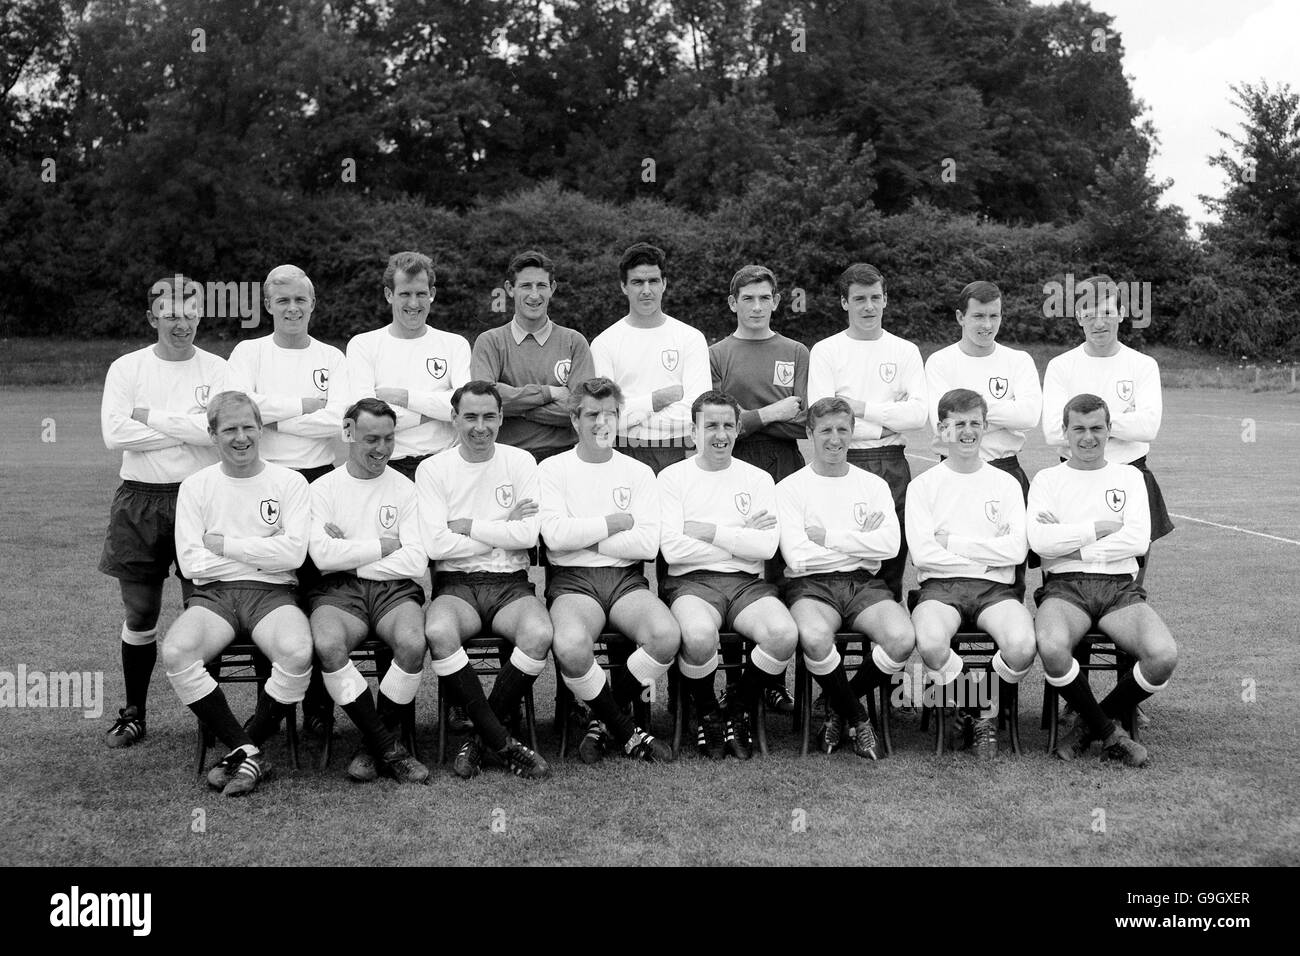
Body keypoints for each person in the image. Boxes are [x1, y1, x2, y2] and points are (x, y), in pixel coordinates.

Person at [161, 391, 313, 796]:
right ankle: (249, 750)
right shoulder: (195, 486)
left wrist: (225, 545)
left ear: (261, 429)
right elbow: (192, 564)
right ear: (212, 435)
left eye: (248, 427)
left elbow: (294, 554)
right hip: (213, 596)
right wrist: (265, 550)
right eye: (229, 429)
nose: (241, 437)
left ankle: (245, 744)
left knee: (297, 652)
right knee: (177, 651)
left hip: (274, 594)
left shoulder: (290, 481)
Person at [98, 274, 228, 749]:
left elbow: (219, 430)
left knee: (206, 610)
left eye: (191, 312)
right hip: (140, 499)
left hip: (202, 498)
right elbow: (115, 434)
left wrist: (149, 417)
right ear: (153, 317)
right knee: (141, 611)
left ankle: (211, 720)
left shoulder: (219, 369)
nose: (182, 322)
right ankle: (134, 713)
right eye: (171, 313)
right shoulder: (126, 368)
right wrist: (189, 429)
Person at [226, 264, 350, 731]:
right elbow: (239, 410)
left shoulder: (333, 358)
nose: (292, 308)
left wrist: (271, 413)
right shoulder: (248, 352)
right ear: (267, 306)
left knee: (318, 593)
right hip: (262, 480)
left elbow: (340, 421)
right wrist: (307, 405)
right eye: (283, 301)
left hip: (318, 480)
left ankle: (319, 705)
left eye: (300, 300)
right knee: (269, 590)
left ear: (313, 304)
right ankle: (270, 707)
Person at [1029, 394, 1178, 767]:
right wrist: (1097, 530)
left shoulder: (1130, 477)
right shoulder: (1047, 479)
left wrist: (1072, 545)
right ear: (1065, 433)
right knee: (1050, 645)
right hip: (1065, 587)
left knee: (1163, 656)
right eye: (1078, 428)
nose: (1088, 437)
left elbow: (1136, 539)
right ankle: (1110, 733)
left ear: (1109, 431)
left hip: (1119, 588)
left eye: (1097, 428)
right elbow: (1041, 543)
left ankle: (1087, 726)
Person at [538, 377, 680, 763]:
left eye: (610, 414)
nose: (602, 422)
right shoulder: (552, 470)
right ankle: (627, 730)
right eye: (592, 414)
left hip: (625, 580)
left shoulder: (638, 472)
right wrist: (615, 523)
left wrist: (585, 535)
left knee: (665, 635)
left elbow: (647, 544)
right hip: (573, 582)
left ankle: (603, 720)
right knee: (570, 646)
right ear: (574, 420)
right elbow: (554, 537)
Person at [416, 382, 552, 780]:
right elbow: (436, 544)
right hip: (455, 584)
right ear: (454, 418)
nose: (480, 427)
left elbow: (527, 537)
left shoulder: (521, 461)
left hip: (510, 581)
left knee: (539, 633)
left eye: (489, 417)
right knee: (439, 631)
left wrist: (470, 526)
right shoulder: (433, 468)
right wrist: (501, 526)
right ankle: (502, 741)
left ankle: (478, 739)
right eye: (470, 417)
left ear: (501, 418)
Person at [659, 391, 799, 761]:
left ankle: (737, 707)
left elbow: (767, 547)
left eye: (727, 425)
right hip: (691, 582)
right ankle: (707, 712)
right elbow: (673, 550)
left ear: (738, 429)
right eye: (710, 426)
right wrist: (740, 535)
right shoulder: (672, 478)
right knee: (699, 636)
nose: (719, 434)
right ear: (693, 431)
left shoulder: (758, 479)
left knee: (783, 634)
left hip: (746, 584)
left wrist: (708, 530)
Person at [776, 397, 915, 758]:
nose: (834, 439)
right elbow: (798, 556)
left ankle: (838, 705)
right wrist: (860, 540)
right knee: (815, 636)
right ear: (809, 433)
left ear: (853, 433)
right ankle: (858, 715)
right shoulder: (790, 488)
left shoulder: (873, 485)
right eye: (825, 430)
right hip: (811, 585)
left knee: (901, 638)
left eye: (842, 429)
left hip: (863, 583)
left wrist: (828, 537)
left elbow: (888, 545)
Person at [305, 397, 430, 784]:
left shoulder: (405, 488)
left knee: (412, 643)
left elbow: (415, 563)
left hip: (395, 590)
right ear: (348, 433)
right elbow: (323, 558)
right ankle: (387, 746)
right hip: (338, 590)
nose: (382, 449)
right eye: (371, 439)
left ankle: (371, 745)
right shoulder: (322, 488)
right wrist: (382, 544)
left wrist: (351, 550)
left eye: (389, 439)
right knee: (328, 645)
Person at [905, 388, 1036, 759]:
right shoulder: (923, 486)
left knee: (1023, 646)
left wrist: (955, 544)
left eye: (975, 423)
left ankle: (971, 708)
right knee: (930, 643)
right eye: (958, 424)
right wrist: (986, 552)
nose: (967, 431)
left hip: (995, 590)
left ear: (985, 427)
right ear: (942, 429)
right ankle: (982, 711)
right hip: (940, 589)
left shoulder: (1006, 483)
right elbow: (924, 555)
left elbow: (1015, 551)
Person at [708, 263, 808, 713]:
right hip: (732, 465)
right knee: (735, 563)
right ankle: (733, 680)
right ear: (733, 303)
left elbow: (803, 421)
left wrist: (746, 419)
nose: (755, 306)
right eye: (746, 298)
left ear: (776, 300)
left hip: (785, 465)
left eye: (764, 297)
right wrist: (768, 415)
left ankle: (771, 678)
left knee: (779, 565)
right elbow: (716, 422)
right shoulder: (717, 353)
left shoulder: (796, 351)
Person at [1041, 275, 1173, 587]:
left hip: (1132, 476)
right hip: (1074, 479)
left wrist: (1084, 425)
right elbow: (1052, 432)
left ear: (1121, 313)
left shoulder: (1142, 365)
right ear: (1078, 317)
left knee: (1128, 582)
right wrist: (1119, 421)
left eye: (1107, 313)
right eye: (1089, 315)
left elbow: (1149, 426)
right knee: (1069, 577)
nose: (1099, 323)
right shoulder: (1061, 366)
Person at [808, 263, 927, 602]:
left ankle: (886, 635)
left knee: (889, 552)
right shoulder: (827, 350)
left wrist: (859, 407)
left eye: (876, 297)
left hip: (891, 462)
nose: (869, 307)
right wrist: (887, 423)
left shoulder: (905, 350)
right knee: (840, 553)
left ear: (886, 300)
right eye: (859, 299)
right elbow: (824, 419)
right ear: (844, 303)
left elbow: (918, 414)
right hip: (840, 461)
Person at [923, 280, 1041, 596]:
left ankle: (1010, 632)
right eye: (978, 316)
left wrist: (971, 415)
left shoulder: (1019, 361)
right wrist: (1003, 416)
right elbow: (944, 424)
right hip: (954, 475)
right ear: (961, 317)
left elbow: (1029, 416)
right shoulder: (940, 362)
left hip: (1006, 470)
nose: (987, 325)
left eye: (994, 316)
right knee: (952, 562)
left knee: (1008, 567)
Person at [346, 251, 471, 480]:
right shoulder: (362, 345)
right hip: (386, 467)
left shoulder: (456, 345)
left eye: (421, 294)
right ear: (389, 294)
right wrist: (436, 413)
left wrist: (404, 397)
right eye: (405, 294)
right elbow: (365, 422)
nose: (414, 303)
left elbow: (465, 408)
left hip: (446, 465)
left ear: (432, 294)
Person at [590, 242, 710, 475]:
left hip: (679, 451)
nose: (646, 290)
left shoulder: (691, 338)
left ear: (664, 283)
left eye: (653, 281)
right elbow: (604, 416)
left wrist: (630, 411)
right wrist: (655, 400)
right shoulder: (604, 343)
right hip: (622, 451)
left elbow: (697, 412)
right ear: (624, 286)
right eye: (637, 282)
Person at [470, 250, 596, 463]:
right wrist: (549, 393)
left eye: (541, 286)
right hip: (504, 458)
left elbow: (582, 411)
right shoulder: (489, 342)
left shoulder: (574, 342)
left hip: (563, 457)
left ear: (552, 289)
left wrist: (516, 408)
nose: (534, 295)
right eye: (526, 286)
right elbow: (484, 404)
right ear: (510, 289)